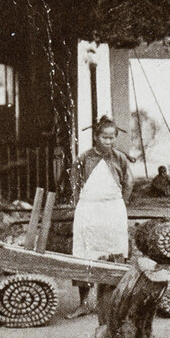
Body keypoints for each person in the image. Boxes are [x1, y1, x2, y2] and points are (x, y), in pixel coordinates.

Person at [67, 116, 133, 318]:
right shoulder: (84, 158)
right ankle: (84, 303)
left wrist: (120, 202)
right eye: (105, 137)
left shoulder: (119, 158)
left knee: (115, 253)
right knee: (84, 253)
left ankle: (115, 303)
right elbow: (74, 182)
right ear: (96, 137)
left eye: (112, 137)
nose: (109, 141)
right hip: (89, 210)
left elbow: (129, 182)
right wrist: (82, 204)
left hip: (113, 210)